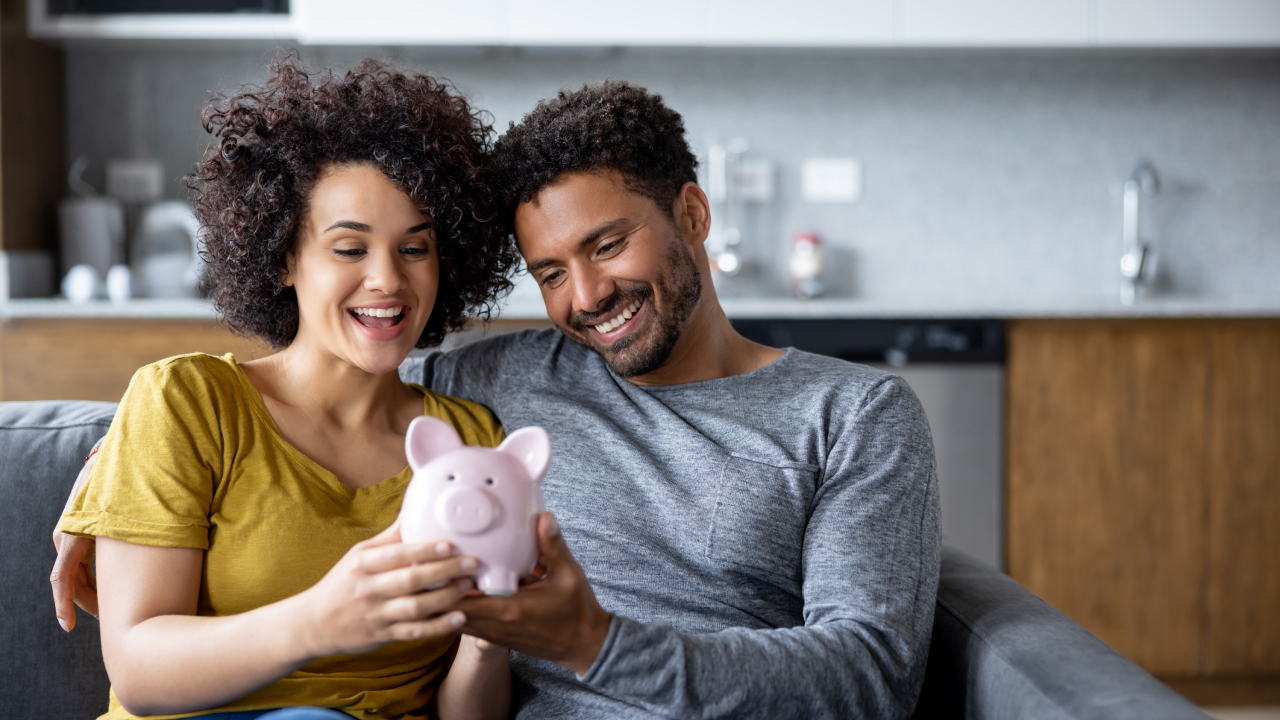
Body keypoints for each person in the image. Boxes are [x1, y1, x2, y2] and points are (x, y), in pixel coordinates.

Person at [55, 80, 941, 719]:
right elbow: (299, 402)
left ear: (694, 217)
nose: (585, 297)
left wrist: (591, 643)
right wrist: (107, 478)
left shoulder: (853, 414)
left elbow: (870, 676)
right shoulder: (497, 391)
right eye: (551, 272)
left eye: (608, 243)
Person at [53, 56, 521, 720]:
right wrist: (320, 620)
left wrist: (486, 637)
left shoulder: (472, 444)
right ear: (282, 260)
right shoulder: (188, 402)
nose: (388, 280)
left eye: (414, 249)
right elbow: (138, 669)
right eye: (349, 249)